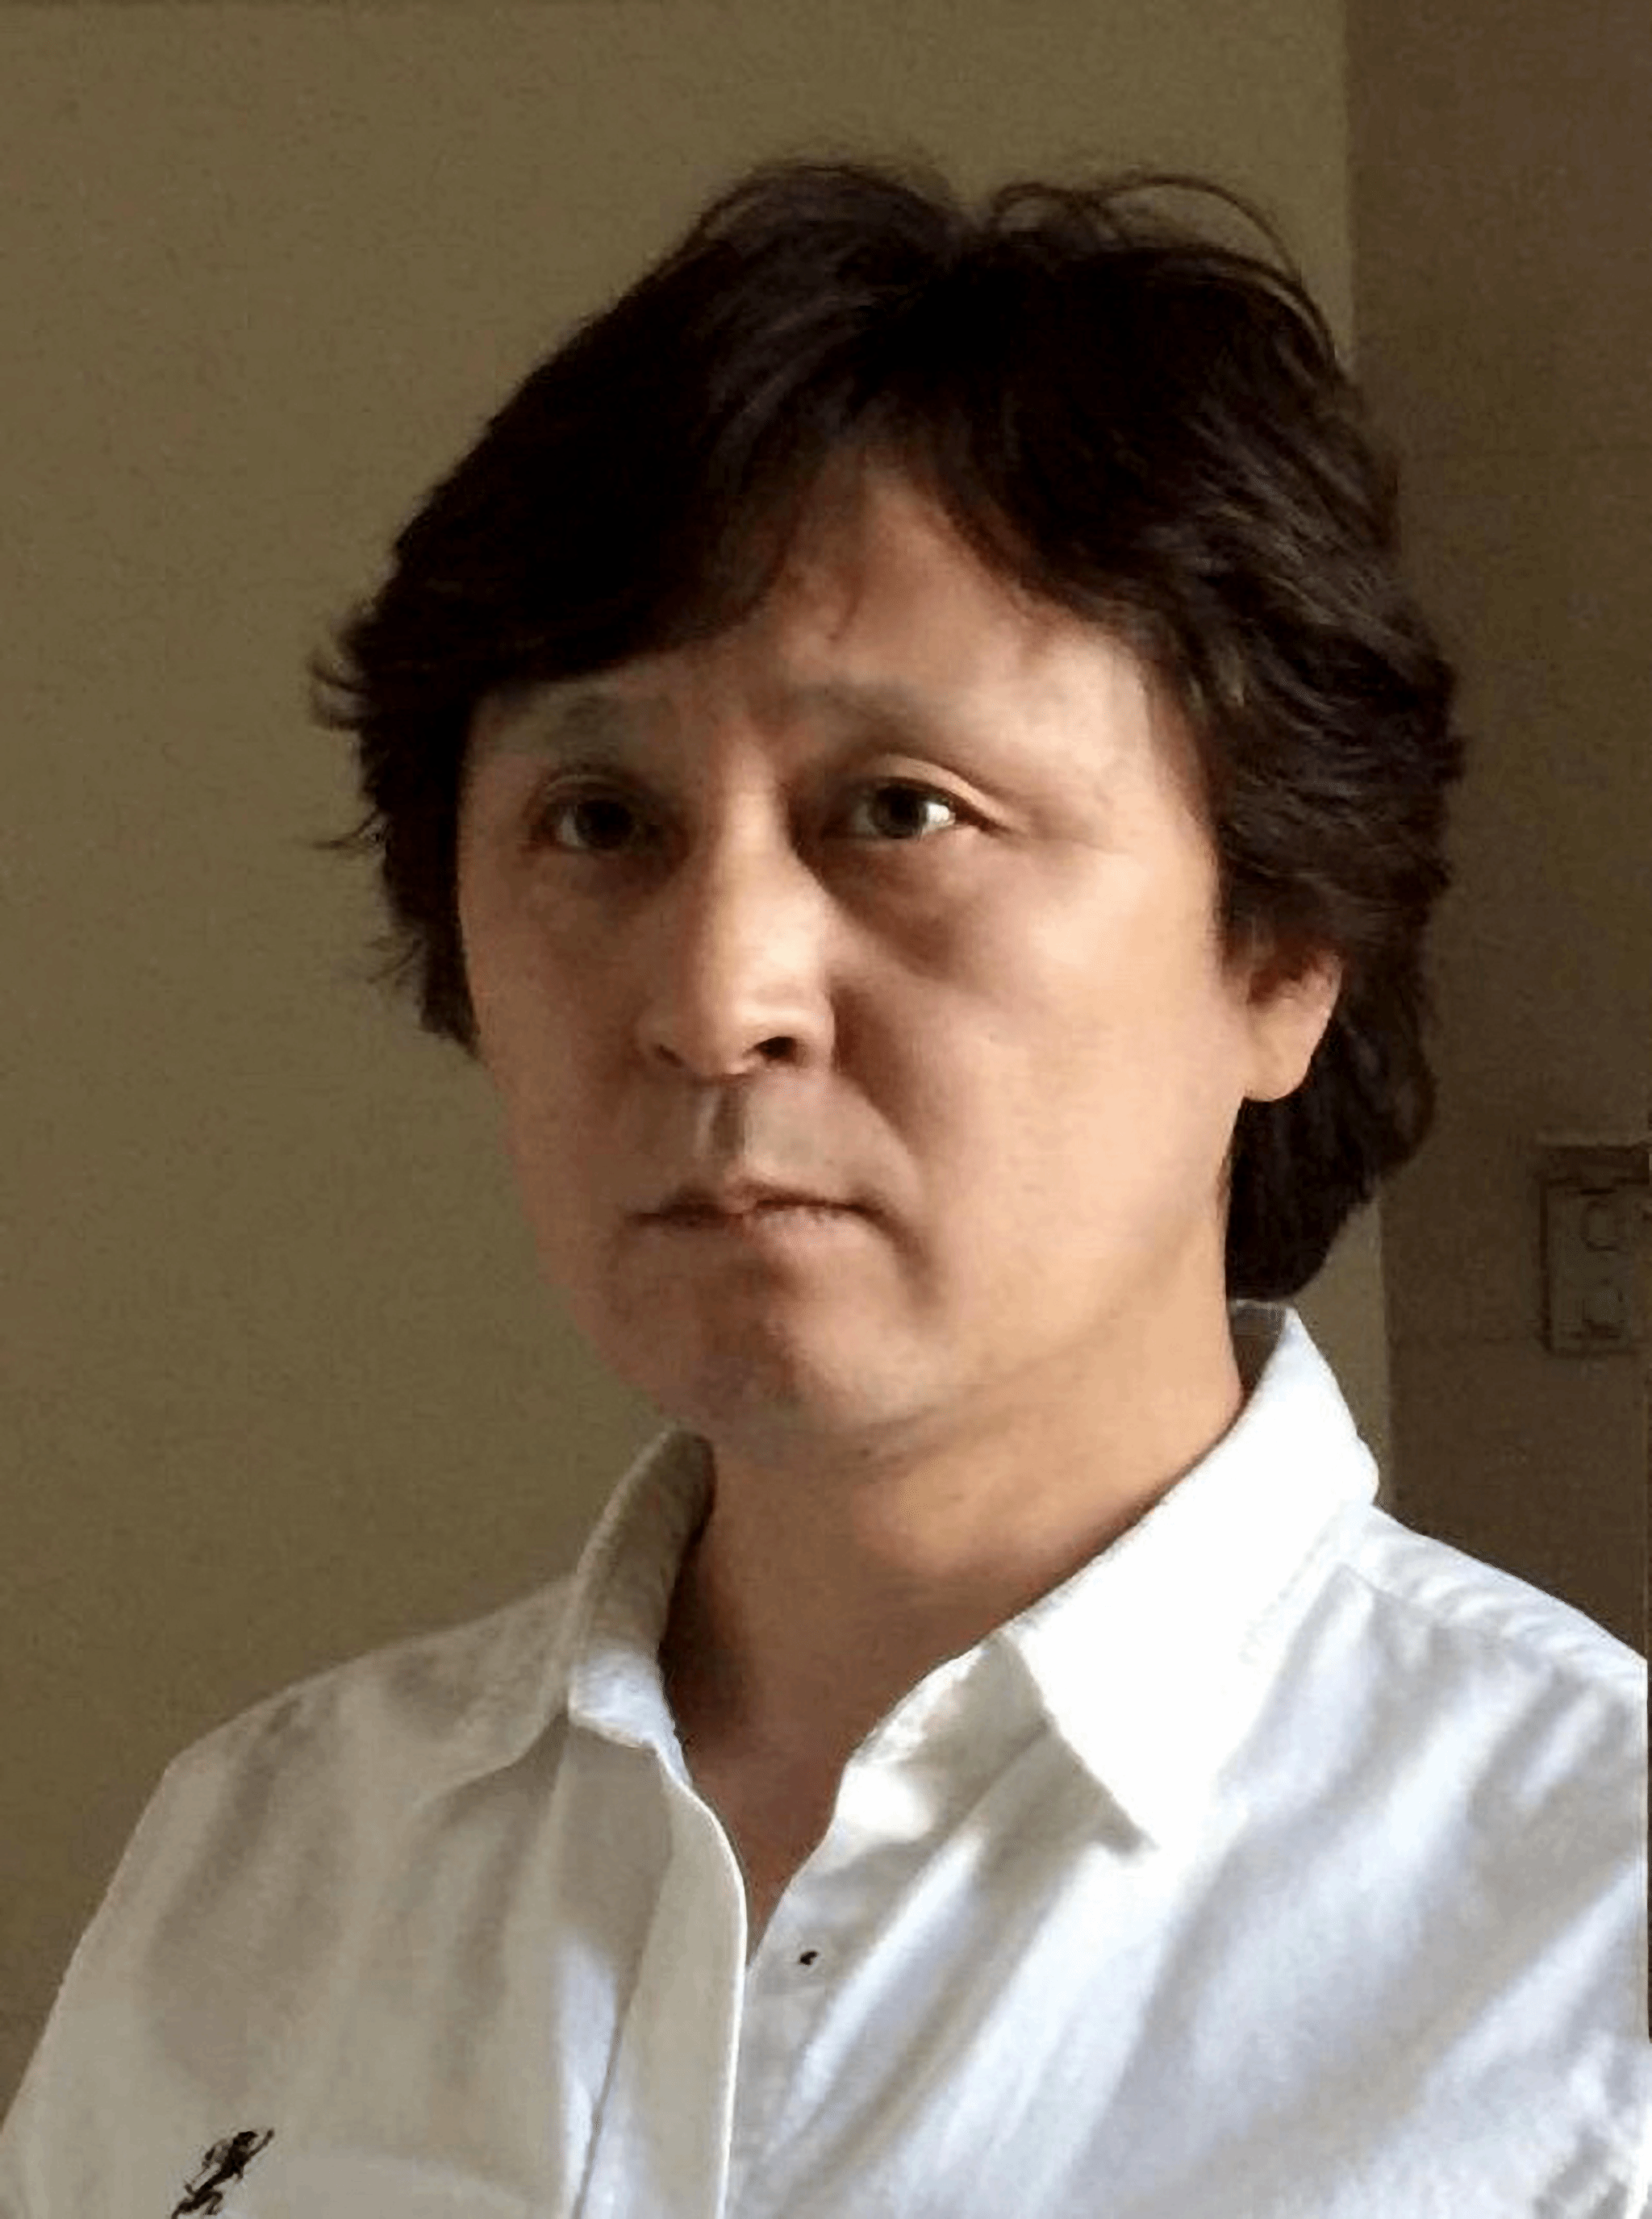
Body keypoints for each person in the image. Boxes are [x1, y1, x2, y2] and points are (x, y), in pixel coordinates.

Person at [2, 153, 1646, 2218]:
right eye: (599, 822)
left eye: (900, 811)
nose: (716, 998)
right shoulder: (271, 1860)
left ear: (1283, 954)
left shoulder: (1585, 1946)